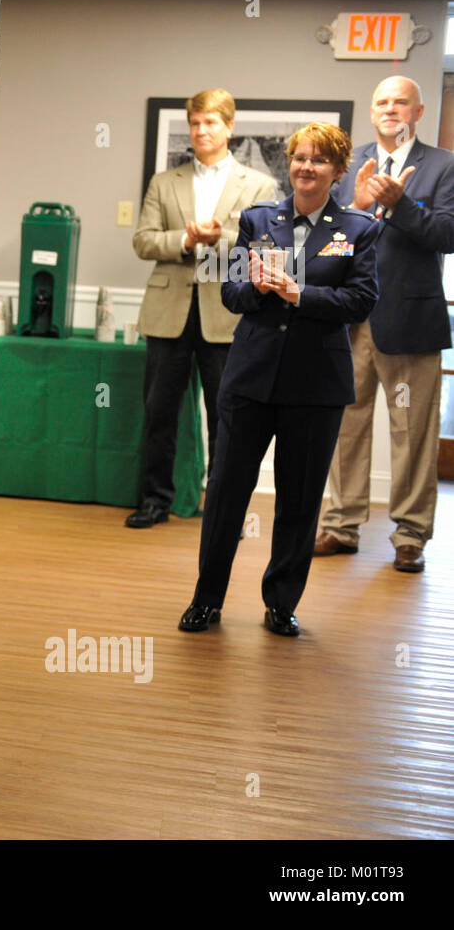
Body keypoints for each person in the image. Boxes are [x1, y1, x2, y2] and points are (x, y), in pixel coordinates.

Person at [178, 123, 379, 637]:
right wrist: (261, 289)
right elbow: (231, 292)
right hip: (250, 381)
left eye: (318, 160)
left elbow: (360, 302)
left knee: (300, 498)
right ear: (289, 164)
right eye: (299, 158)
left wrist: (298, 295)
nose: (306, 167)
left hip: (316, 389)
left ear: (337, 171)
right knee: (225, 493)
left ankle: (280, 603)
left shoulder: (358, 229)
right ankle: (206, 600)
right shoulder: (258, 219)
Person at [315, 76, 454, 573]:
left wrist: (400, 204)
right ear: (372, 112)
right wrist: (350, 212)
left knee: (411, 432)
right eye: (382, 102)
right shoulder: (349, 164)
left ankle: (410, 535)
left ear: (418, 112)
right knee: (344, 426)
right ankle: (340, 523)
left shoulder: (443, 165)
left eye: (401, 102)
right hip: (348, 320)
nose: (390, 108)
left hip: (411, 321)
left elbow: (447, 234)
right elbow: (326, 243)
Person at [127, 89, 279, 528]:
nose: (201, 131)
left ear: (229, 128)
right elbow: (143, 241)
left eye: (210, 122)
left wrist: (221, 241)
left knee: (226, 416)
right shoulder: (164, 181)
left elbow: (265, 248)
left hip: (227, 315)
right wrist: (186, 241)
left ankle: (222, 504)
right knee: (159, 414)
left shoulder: (260, 185)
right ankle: (155, 501)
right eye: (194, 123)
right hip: (167, 311)